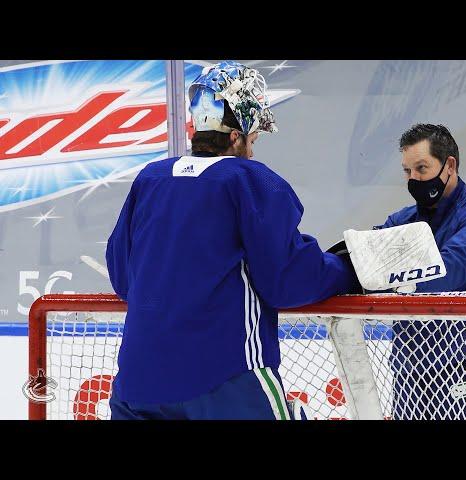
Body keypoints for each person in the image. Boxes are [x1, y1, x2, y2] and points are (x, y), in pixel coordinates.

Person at [105, 61, 358, 420]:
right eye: (252, 140)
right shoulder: (249, 179)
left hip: (138, 382)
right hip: (225, 376)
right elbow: (286, 280)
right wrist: (346, 269)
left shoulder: (150, 179)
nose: (253, 152)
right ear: (237, 136)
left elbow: (123, 276)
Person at [375, 123, 466, 419]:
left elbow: (444, 273)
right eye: (407, 171)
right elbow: (365, 260)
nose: (413, 180)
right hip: (409, 368)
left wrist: (388, 274)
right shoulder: (402, 220)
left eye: (421, 168)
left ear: (449, 165)